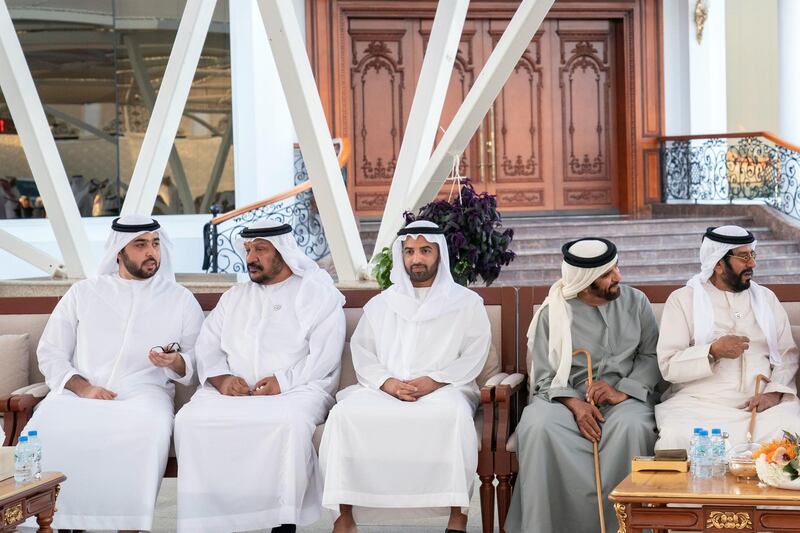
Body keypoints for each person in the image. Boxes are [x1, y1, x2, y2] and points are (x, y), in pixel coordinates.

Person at [22, 214, 204, 532]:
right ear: (118, 251)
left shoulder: (180, 299)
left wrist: (173, 362)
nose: (152, 252)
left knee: (142, 434)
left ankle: (128, 526)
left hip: (143, 395)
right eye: (141, 245)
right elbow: (50, 353)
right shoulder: (84, 293)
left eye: (156, 244)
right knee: (46, 432)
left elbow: (194, 362)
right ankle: (55, 523)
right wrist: (83, 388)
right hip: (76, 394)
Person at [174, 219, 346, 533]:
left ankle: (282, 522)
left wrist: (283, 381)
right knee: (189, 421)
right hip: (232, 392)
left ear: (283, 252)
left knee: (287, 424)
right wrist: (222, 378)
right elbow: (207, 346)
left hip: (298, 390)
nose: (251, 257)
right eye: (248, 249)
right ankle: (207, 521)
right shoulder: (235, 296)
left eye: (261, 250)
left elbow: (324, 358)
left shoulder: (318, 294)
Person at [320, 220, 491, 533]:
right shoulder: (381, 304)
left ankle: (457, 515)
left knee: (452, 416)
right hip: (385, 389)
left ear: (439, 253)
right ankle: (344, 516)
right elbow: (363, 352)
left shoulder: (467, 303)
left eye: (425, 250)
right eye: (409, 251)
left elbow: (473, 355)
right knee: (344, 415)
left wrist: (433, 381)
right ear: (401, 257)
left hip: (445, 389)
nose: (417, 258)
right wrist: (388, 383)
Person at [505, 238, 661, 533]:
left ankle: (627, 527)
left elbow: (652, 356)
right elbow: (542, 375)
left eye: (616, 268)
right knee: (539, 426)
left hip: (625, 398)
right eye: (608, 274)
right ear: (585, 282)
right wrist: (574, 404)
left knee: (633, 427)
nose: (618, 277)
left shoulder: (636, 302)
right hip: (562, 398)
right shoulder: (553, 313)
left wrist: (621, 390)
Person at [656, 225, 800, 449]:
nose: (752, 264)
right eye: (743, 257)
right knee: (676, 435)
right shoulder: (683, 300)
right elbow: (668, 366)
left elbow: (787, 354)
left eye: (752, 254)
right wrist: (712, 352)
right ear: (719, 264)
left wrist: (773, 394)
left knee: (792, 428)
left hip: (760, 404)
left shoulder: (766, 299)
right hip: (700, 404)